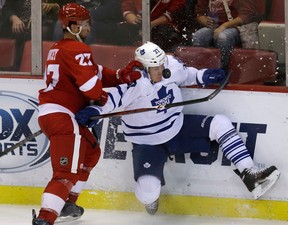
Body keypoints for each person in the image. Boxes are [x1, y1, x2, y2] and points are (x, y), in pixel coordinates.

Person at [75, 41, 280, 215]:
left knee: (220, 123)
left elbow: (186, 74)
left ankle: (249, 173)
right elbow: (109, 101)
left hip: (177, 129)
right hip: (148, 144)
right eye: (155, 67)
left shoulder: (168, 67)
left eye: (162, 64)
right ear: (143, 68)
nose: (161, 70)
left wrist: (203, 76)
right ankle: (150, 199)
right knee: (147, 191)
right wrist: (94, 113)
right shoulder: (133, 85)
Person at [32, 3, 142, 225]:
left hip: (57, 115)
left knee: (91, 152)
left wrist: (120, 76)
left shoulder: (61, 47)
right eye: (84, 23)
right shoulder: (78, 49)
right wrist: (100, 96)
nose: (88, 26)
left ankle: (68, 204)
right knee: (65, 173)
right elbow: (91, 87)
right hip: (62, 117)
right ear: (72, 26)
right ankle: (45, 219)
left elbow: (96, 72)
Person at [192, 0, 262, 70]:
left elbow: (247, 15)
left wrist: (224, 26)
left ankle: (224, 70)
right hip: (214, 25)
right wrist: (202, 18)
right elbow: (200, 12)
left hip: (236, 27)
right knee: (198, 36)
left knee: (223, 37)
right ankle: (200, 71)